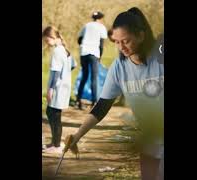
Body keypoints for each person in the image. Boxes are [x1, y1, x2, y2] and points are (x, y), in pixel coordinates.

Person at [65, 7, 164, 180]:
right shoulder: (119, 67)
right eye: (117, 42)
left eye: (125, 41)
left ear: (141, 36)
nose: (121, 47)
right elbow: (101, 107)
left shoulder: (159, 56)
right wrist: (77, 136)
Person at [42, 26, 77, 153]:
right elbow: (74, 65)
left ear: (52, 37)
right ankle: (55, 143)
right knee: (54, 115)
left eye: (46, 41)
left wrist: (51, 89)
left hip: (57, 88)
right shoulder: (65, 49)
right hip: (64, 87)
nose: (47, 43)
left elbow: (56, 72)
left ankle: (56, 145)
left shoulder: (57, 51)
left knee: (53, 115)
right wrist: (66, 75)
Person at [76, 11, 108, 110]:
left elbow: (79, 39)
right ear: (100, 18)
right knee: (94, 77)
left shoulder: (86, 25)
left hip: (84, 52)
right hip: (94, 53)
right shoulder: (101, 27)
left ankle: (78, 100)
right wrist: (100, 56)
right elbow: (101, 44)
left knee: (84, 76)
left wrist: (84, 46)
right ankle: (94, 102)